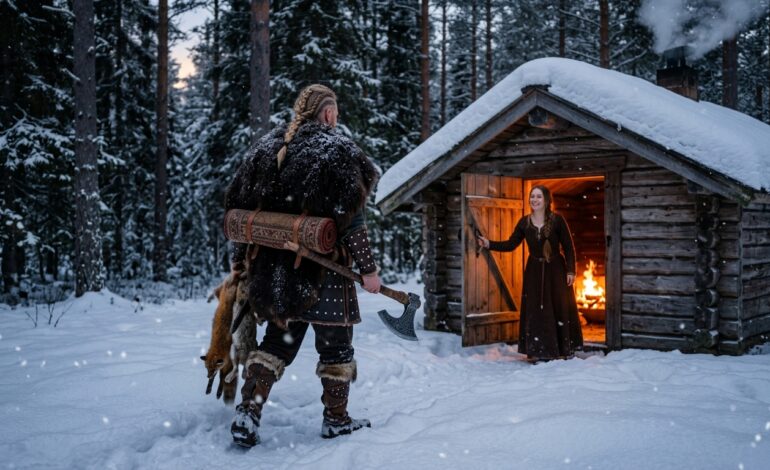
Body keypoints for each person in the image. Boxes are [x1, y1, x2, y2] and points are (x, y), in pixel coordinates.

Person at [224, 84, 381, 447]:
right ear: (327, 112)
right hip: (326, 274)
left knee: (276, 344)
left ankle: (248, 412)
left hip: (277, 274)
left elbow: (241, 214)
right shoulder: (338, 149)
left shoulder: (267, 148)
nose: (336, 117)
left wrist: (239, 263)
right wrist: (369, 271)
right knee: (337, 349)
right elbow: (353, 222)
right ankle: (336, 419)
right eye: (335, 110)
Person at [476, 185, 583, 362]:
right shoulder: (524, 223)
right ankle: (538, 349)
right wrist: (489, 244)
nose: (535, 200)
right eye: (532, 197)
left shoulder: (557, 220)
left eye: (539, 197)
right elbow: (511, 244)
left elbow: (568, 248)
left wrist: (571, 270)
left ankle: (562, 348)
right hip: (534, 270)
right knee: (535, 308)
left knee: (558, 307)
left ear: (547, 200)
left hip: (556, 269)